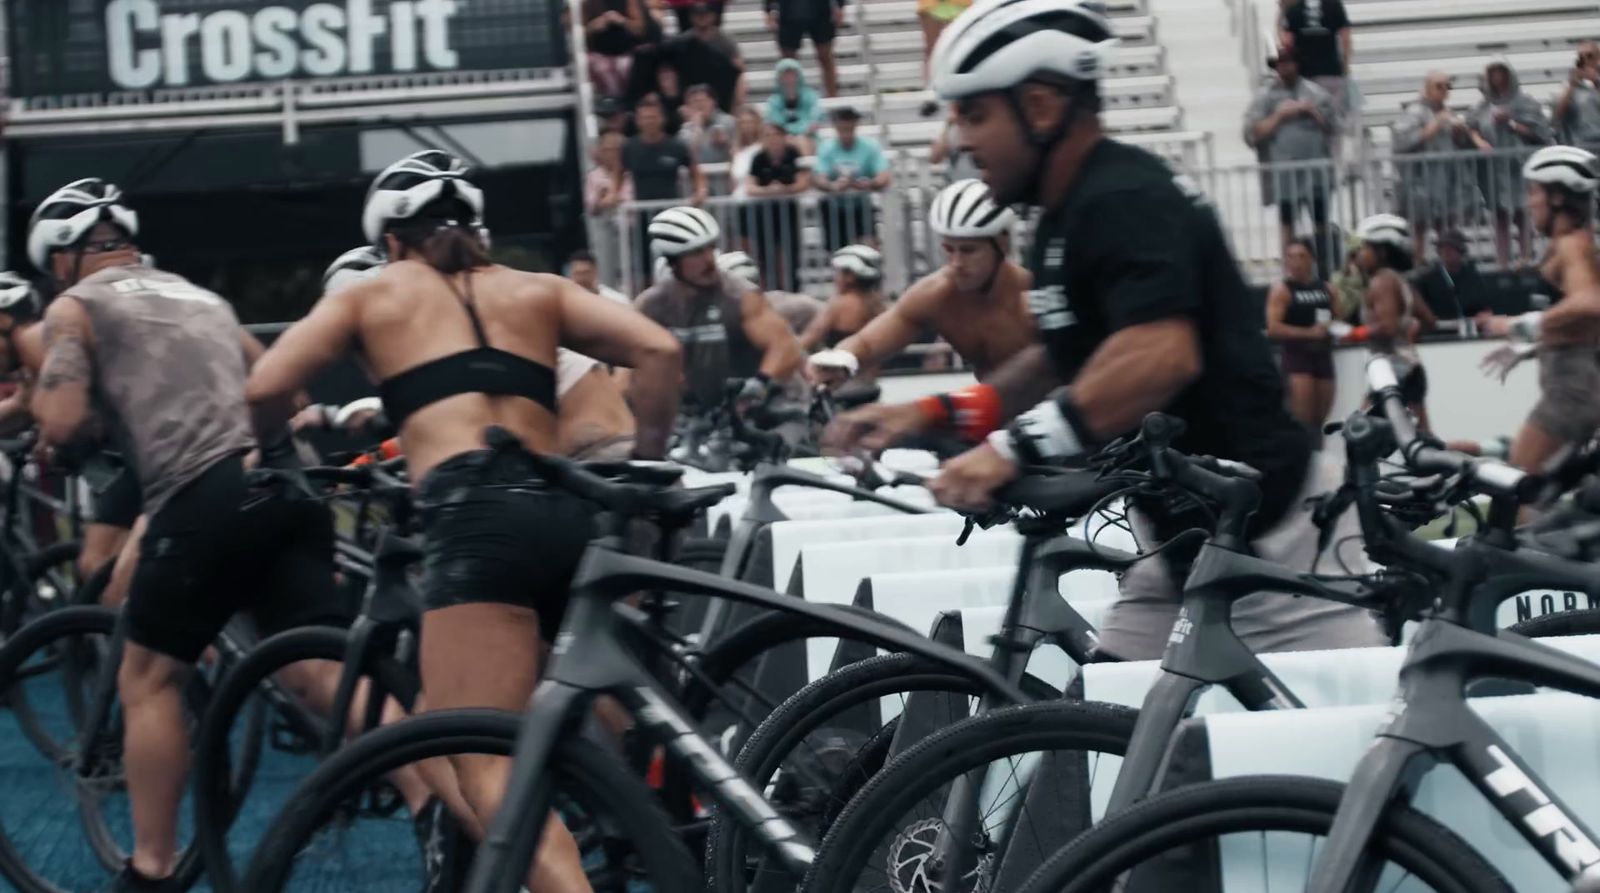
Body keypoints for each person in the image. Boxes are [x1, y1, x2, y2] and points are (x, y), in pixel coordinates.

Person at [834, 0, 1382, 659]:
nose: (960, 138)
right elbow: (1057, 360)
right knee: (1096, 741)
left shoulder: (1123, 197)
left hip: (1277, 547)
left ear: (1040, 107)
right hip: (1180, 541)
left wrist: (1010, 450)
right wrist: (931, 411)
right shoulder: (1065, 214)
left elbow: (1158, 355)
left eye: (974, 113)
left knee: (1352, 756)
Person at [247, 150, 683, 893]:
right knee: (561, 705)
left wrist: (279, 452)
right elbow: (659, 349)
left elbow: (265, 383)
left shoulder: (375, 293)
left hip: (476, 519)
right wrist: (648, 458)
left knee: (474, 759)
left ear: (389, 240)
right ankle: (654, 809)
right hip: (568, 506)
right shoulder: (536, 288)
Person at [24, 178, 355, 891]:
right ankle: (443, 797)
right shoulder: (204, 297)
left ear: (59, 259)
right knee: (320, 676)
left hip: (201, 496)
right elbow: (287, 392)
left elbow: (59, 419)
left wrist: (72, 433)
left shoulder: (74, 306)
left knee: (149, 678)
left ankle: (151, 867)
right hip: (285, 487)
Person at [808, 179, 1034, 394]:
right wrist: (841, 360)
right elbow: (867, 343)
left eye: (968, 250)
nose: (956, 263)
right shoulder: (936, 294)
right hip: (996, 413)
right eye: (949, 249)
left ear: (1002, 243)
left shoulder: (1031, 294)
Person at [1475, 146, 1600, 474]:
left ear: (1557, 197)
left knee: (1516, 492)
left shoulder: (1572, 244)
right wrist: (1532, 347)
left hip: (1571, 394)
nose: (1529, 203)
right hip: (1576, 387)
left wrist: (1520, 325)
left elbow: (1590, 303)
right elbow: (1583, 325)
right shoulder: (1572, 244)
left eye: (1534, 192)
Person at [635, 206, 805, 430]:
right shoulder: (651, 306)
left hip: (768, 410)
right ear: (673, 262)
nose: (709, 260)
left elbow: (785, 347)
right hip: (700, 415)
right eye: (696, 252)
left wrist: (759, 385)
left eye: (711, 248)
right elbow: (627, 369)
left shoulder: (741, 295)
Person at [1245, 45, 1337, 264]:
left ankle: (1325, 267)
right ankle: (1291, 269)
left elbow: (1333, 127)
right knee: (1287, 224)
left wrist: (1312, 112)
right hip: (1284, 174)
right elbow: (1252, 134)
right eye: (1281, 63)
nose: (1285, 67)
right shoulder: (1264, 97)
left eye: (1289, 62)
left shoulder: (1316, 93)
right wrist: (1279, 116)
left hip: (1316, 173)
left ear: (1297, 64)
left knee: (1321, 222)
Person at [1350, 213, 1437, 430]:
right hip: (1411, 368)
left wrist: (1355, 333)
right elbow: (1429, 320)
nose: (1360, 254)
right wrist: (1409, 329)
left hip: (1392, 372)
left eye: (1365, 248)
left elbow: (1387, 327)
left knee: (1362, 435)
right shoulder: (1401, 281)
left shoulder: (1381, 282)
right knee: (1422, 441)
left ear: (1381, 251)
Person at [1469, 58, 1552, 270]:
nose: (1496, 77)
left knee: (1522, 213)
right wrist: (1479, 141)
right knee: (1500, 217)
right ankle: (1503, 263)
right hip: (1494, 171)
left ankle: (1525, 257)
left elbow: (1540, 133)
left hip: (1519, 167)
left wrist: (1512, 123)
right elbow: (1471, 127)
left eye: (1500, 72)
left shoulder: (1526, 103)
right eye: (1492, 73)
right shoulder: (1482, 106)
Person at [1394, 72, 1481, 259]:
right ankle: (1418, 263)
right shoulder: (1414, 111)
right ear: (1427, 88)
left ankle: (1446, 263)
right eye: (1439, 86)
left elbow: (1459, 146)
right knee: (1420, 225)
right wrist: (1435, 125)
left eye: (1447, 87)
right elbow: (1403, 142)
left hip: (1445, 179)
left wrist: (1459, 134)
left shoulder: (1449, 113)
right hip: (1420, 179)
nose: (1444, 91)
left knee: (1445, 225)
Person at [623, 97, 705, 285]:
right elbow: (617, 176)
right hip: (642, 219)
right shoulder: (629, 147)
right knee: (644, 267)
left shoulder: (676, 145)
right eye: (645, 117)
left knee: (677, 260)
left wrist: (700, 191)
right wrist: (612, 195)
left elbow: (696, 173)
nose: (649, 121)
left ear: (661, 119)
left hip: (672, 218)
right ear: (638, 120)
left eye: (653, 117)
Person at [1265, 238, 1337, 441]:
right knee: (1302, 421)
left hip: (1323, 357)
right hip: (1297, 358)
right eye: (1291, 257)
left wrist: (1333, 329)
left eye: (1301, 256)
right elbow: (1273, 328)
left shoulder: (1327, 289)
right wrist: (1309, 333)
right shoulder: (1282, 290)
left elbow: (1338, 317)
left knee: (1319, 421)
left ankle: (1318, 462)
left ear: (1312, 259)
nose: (1296, 262)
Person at [742, 120, 810, 293]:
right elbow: (750, 187)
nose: (773, 140)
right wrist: (769, 191)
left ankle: (794, 291)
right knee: (766, 256)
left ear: (784, 137)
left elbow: (803, 183)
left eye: (776, 135)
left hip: (788, 213)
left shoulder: (793, 154)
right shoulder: (758, 158)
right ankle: (771, 292)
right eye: (768, 136)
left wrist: (784, 190)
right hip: (764, 215)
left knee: (790, 255)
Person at [813, 106, 892, 250]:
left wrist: (867, 184)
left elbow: (884, 176)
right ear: (836, 128)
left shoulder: (870, 146)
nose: (846, 134)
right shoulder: (826, 147)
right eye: (842, 129)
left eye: (849, 129)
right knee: (838, 253)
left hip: (861, 206)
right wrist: (833, 186)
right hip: (834, 208)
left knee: (869, 248)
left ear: (855, 126)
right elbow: (819, 177)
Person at [1278, 0, 1352, 116]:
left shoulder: (1294, 8)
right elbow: (1345, 39)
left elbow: (1287, 43)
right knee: (1331, 119)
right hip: (1330, 73)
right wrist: (1345, 67)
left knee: (1307, 120)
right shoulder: (1334, 5)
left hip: (1304, 76)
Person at [765, 0, 844, 99]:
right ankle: (789, 100)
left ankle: (833, 98)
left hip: (821, 10)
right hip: (789, 11)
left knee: (825, 56)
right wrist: (769, 10)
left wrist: (840, 5)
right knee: (788, 62)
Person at [584, 129, 635, 282]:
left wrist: (613, 198)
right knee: (607, 274)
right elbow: (591, 207)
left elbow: (630, 198)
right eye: (607, 149)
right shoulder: (594, 176)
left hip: (632, 230)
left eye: (616, 149)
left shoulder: (632, 173)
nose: (612, 153)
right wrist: (600, 198)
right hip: (605, 232)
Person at [1414, 228, 1489, 324]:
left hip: (1470, 327)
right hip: (1438, 329)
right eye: (1442, 247)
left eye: (1451, 248)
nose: (1446, 251)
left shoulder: (1473, 277)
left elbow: (1484, 308)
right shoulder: (1426, 279)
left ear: (1461, 251)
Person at [581, 0, 651, 99]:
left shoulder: (630, 2)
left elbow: (640, 30)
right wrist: (594, 25)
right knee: (599, 67)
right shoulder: (588, 3)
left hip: (628, 52)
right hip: (598, 54)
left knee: (628, 65)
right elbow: (580, 33)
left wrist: (621, 20)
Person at [765, 58, 824, 154]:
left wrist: (796, 133)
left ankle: (806, 168)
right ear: (779, 78)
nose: (789, 79)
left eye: (792, 75)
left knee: (801, 141)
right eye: (785, 75)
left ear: (799, 76)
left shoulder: (811, 97)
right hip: (782, 140)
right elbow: (776, 124)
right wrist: (790, 134)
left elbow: (813, 122)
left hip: (809, 138)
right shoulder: (773, 101)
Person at [680, 84, 738, 166]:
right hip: (698, 174)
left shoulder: (729, 122)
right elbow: (686, 156)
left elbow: (740, 152)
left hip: (723, 172)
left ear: (713, 102)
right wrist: (697, 127)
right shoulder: (686, 128)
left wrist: (726, 142)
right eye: (694, 102)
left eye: (703, 101)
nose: (699, 105)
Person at [1556, 41, 1600, 149]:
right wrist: (1572, 86)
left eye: (1589, 56)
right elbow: (1558, 114)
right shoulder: (1571, 83)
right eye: (1581, 56)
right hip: (1582, 143)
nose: (1585, 60)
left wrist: (1596, 81)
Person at [566, 250, 631, 304]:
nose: (582, 278)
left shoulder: (616, 300)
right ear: (571, 274)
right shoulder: (565, 304)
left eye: (586, 272)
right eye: (578, 273)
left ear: (595, 271)